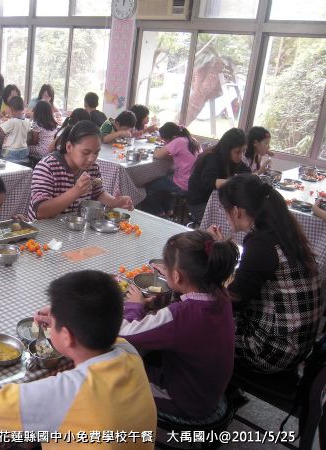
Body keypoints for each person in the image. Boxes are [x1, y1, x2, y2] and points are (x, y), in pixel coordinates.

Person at [0, 270, 157, 446]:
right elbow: (93, 334)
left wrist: (8, 390)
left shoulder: (65, 393)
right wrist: (64, 318)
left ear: (67, 336)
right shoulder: (129, 352)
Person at [209, 174, 321, 373]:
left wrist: (212, 265)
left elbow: (234, 300)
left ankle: (212, 385)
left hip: (272, 350)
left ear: (236, 211)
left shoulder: (260, 244)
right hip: (299, 343)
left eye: (224, 210)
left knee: (199, 327)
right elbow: (252, 280)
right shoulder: (282, 232)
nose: (225, 215)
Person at [120, 230, 239, 419]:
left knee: (108, 374)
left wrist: (135, 305)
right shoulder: (220, 295)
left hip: (183, 400)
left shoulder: (183, 314)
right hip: (205, 391)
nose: (163, 271)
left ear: (176, 276)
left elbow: (125, 334)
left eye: (166, 268)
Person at [28, 120, 134, 220]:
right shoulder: (47, 167)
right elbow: (40, 212)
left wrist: (115, 202)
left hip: (75, 226)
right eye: (86, 153)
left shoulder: (92, 168)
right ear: (69, 147)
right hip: (44, 229)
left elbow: (98, 194)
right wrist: (76, 191)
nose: (92, 159)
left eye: (96, 153)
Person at [187, 127, 250, 223]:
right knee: (234, 221)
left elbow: (247, 172)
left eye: (243, 151)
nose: (241, 155)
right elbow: (209, 182)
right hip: (200, 203)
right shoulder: (212, 158)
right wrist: (234, 182)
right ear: (227, 149)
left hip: (217, 201)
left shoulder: (234, 159)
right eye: (237, 152)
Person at [144, 122, 199, 217]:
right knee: (166, 179)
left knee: (149, 185)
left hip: (183, 184)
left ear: (173, 137)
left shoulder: (178, 141)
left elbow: (157, 155)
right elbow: (182, 156)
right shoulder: (191, 140)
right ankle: (169, 212)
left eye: (165, 140)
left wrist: (158, 150)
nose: (165, 143)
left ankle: (160, 214)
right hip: (193, 184)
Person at [0, 96, 30, 163]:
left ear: (12, 110)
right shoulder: (27, 121)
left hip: (11, 151)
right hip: (24, 150)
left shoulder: (12, 122)